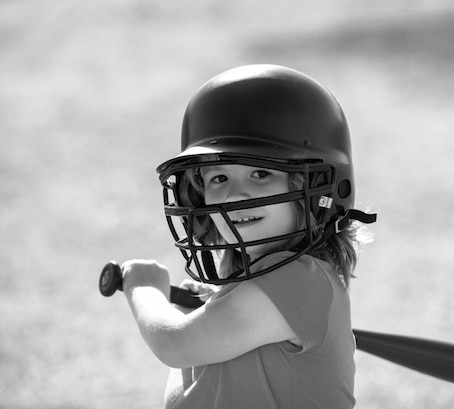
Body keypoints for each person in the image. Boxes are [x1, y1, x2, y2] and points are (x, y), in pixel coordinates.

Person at [120, 64, 376, 409]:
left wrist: (145, 290)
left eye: (259, 174)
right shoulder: (257, 285)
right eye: (219, 179)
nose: (234, 194)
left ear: (314, 188)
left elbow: (177, 346)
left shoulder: (297, 281)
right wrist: (200, 305)